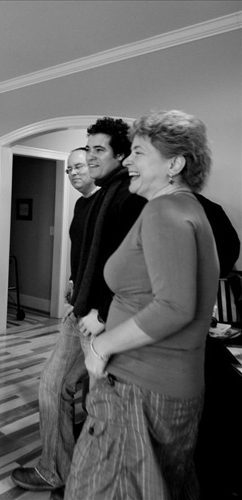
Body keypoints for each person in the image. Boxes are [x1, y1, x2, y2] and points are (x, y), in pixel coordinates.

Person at [66, 110, 219, 499]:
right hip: (167, 385)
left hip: (140, 388)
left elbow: (174, 307)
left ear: (174, 164)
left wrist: (102, 346)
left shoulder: (164, 211)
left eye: (138, 153)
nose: (128, 162)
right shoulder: (187, 208)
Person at [11, 118, 146, 498]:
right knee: (61, 389)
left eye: (97, 151)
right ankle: (63, 471)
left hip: (101, 321)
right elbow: (94, 257)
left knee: (87, 400)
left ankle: (79, 479)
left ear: (121, 155)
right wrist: (77, 283)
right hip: (81, 312)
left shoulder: (129, 197)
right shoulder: (96, 201)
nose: (86, 162)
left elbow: (135, 267)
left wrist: (101, 313)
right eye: (88, 151)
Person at [65, 147, 100, 303]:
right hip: (80, 286)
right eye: (69, 169)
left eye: (78, 167)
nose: (73, 173)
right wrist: (72, 280)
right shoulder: (80, 203)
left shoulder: (105, 201)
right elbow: (78, 249)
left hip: (97, 292)